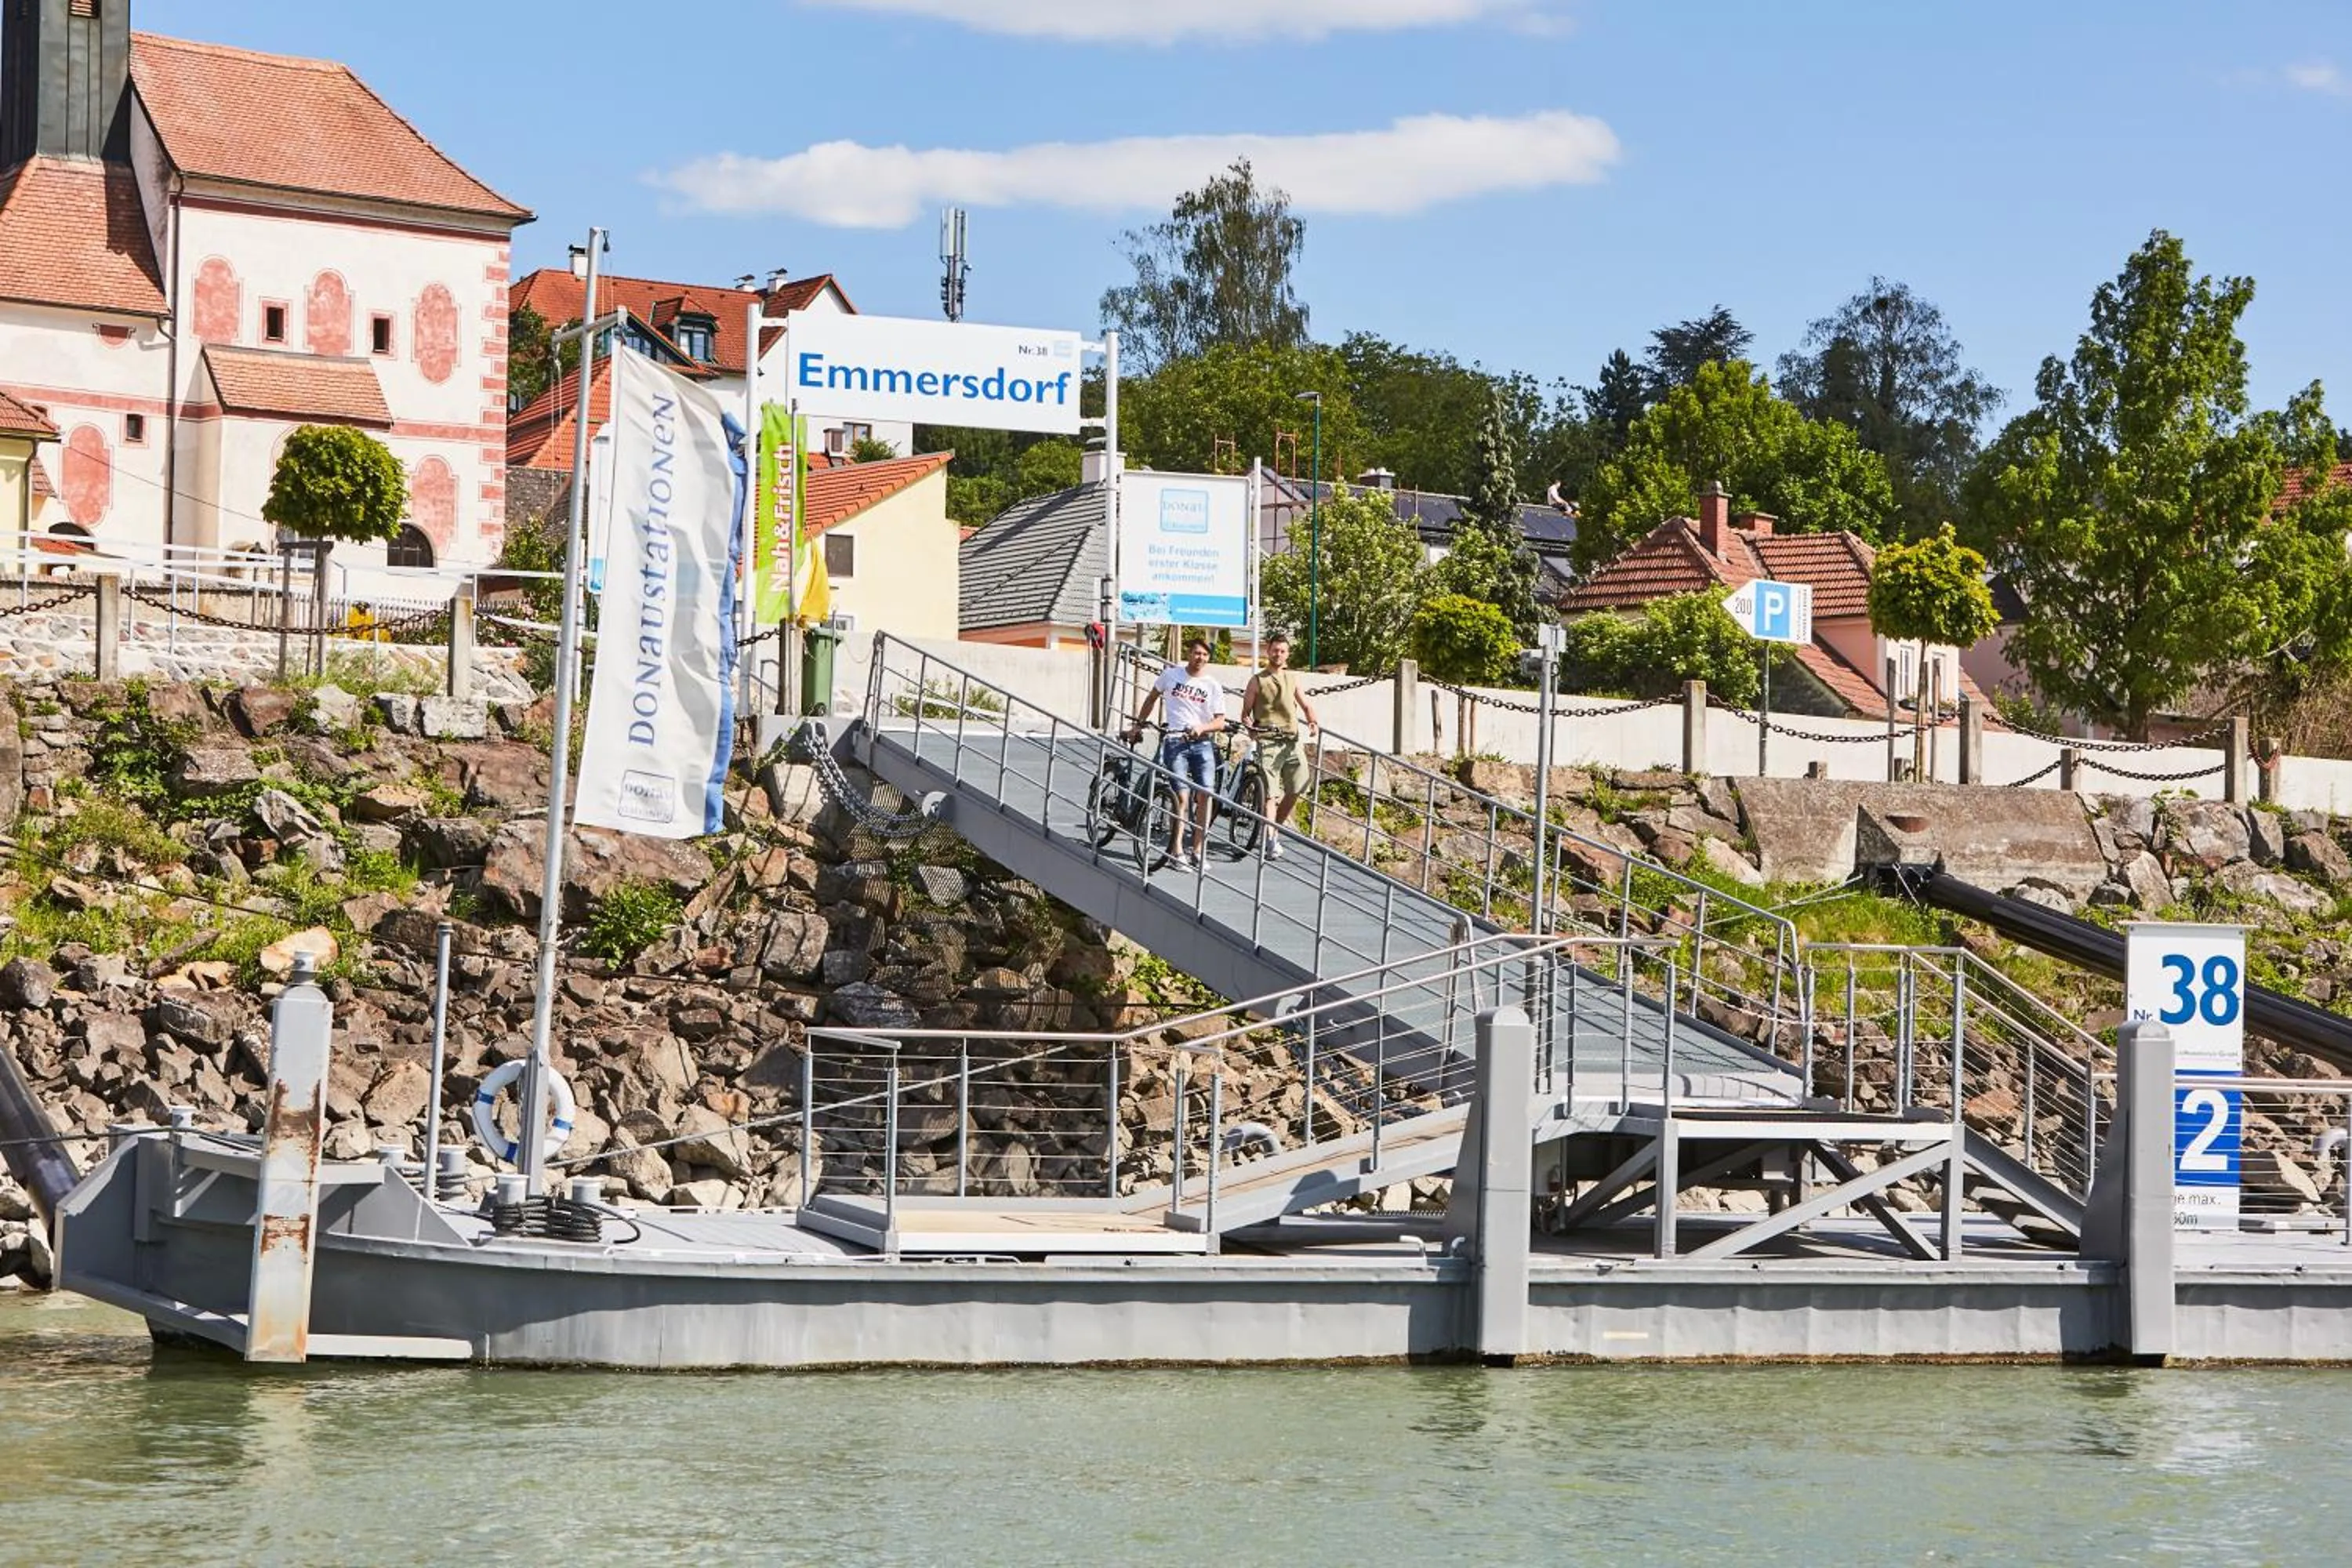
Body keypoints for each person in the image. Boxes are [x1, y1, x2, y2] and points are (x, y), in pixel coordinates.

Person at [1127, 637, 1226, 870]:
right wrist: (1139, 725)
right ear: (1189, 654)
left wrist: (1202, 728)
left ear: (1208, 658)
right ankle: (1176, 851)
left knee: (1205, 795)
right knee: (1181, 797)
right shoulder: (1171, 675)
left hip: (1202, 743)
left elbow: (1220, 721)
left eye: (1204, 654)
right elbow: (1152, 698)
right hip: (1175, 742)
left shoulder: (1213, 685)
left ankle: (1199, 851)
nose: (1199, 657)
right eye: (1196, 653)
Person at [1240, 631, 1319, 858]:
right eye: (1275, 650)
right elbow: (1245, 713)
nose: (1279, 654)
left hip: (1291, 742)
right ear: (1269, 652)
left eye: (1283, 651)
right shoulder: (1257, 680)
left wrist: (1313, 722)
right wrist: (1251, 729)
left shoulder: (1292, 679)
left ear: (1288, 654)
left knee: (1297, 788)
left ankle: (1273, 830)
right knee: (1271, 795)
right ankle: (1271, 839)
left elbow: (1305, 704)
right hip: (1268, 742)